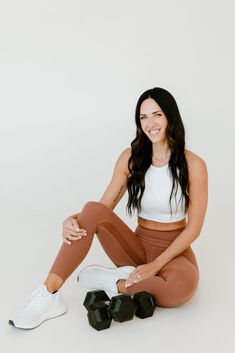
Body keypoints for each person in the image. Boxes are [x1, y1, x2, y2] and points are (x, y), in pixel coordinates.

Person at [8, 87, 208, 330]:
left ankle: (113, 281)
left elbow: (194, 229)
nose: (150, 123)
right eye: (143, 117)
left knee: (180, 291)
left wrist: (155, 267)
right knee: (89, 210)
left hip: (176, 253)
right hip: (137, 249)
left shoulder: (194, 164)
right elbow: (100, 210)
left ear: (170, 117)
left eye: (157, 115)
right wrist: (71, 219)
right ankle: (48, 296)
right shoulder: (130, 158)